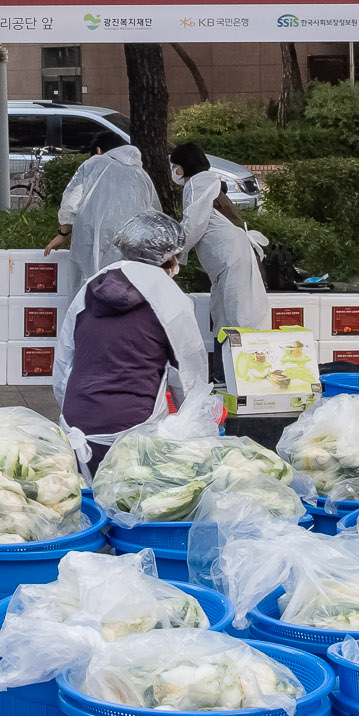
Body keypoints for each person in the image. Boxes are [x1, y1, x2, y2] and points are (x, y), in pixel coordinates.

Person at [52, 211, 207, 467]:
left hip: (76, 432)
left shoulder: (92, 285)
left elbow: (63, 363)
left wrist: (74, 415)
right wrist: (199, 436)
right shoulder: (171, 297)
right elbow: (190, 377)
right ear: (169, 256)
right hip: (135, 438)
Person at [174, 141, 268, 363]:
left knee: (235, 319)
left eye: (176, 166)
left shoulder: (198, 183)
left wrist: (174, 255)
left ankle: (239, 373)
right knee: (227, 317)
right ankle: (224, 373)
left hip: (230, 259)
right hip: (229, 260)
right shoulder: (207, 182)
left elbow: (193, 224)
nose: (174, 171)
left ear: (185, 166)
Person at [48, 132, 159, 285]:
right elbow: (152, 209)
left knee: (91, 284)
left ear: (99, 150)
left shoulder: (93, 164)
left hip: (93, 234)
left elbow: (71, 202)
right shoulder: (140, 173)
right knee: (125, 284)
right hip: (131, 238)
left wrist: (63, 233)